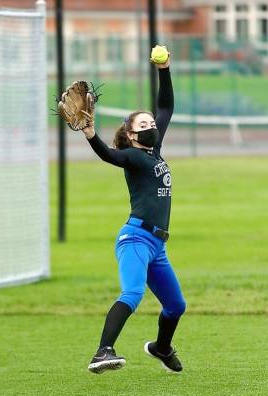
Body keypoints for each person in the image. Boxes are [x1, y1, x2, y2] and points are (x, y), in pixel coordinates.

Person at [82, 47, 187, 374]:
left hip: (157, 246)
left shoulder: (154, 151)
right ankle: (102, 351)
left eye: (151, 121)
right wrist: (90, 135)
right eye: (143, 123)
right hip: (136, 239)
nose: (152, 123)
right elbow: (108, 156)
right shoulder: (130, 156)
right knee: (132, 292)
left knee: (176, 305)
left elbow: (166, 105)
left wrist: (164, 69)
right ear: (130, 134)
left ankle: (161, 347)